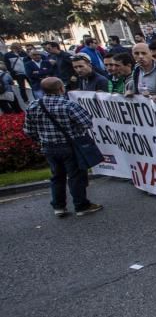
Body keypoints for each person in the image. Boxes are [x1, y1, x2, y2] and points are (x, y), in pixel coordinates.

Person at [22, 77, 103, 217]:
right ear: (61, 89)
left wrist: (42, 138)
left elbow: (29, 130)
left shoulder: (33, 106)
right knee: (75, 176)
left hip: (48, 147)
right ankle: (81, 205)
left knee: (57, 177)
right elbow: (87, 123)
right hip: (69, 146)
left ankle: (59, 206)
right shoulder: (68, 105)